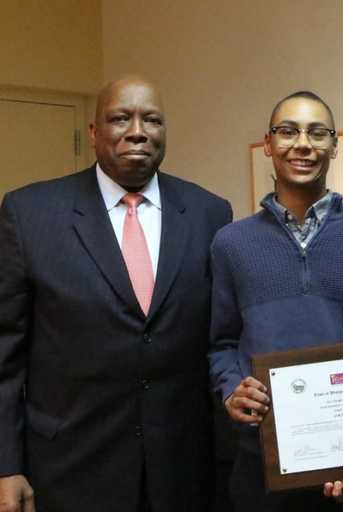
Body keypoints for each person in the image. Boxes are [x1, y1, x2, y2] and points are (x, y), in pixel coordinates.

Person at [0, 76, 232, 512]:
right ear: (93, 133)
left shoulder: (210, 213)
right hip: (70, 468)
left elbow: (221, 335)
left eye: (152, 119)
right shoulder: (29, 215)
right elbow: (4, 351)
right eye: (120, 118)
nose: (138, 130)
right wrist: (5, 465)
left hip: (184, 472)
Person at [208, 90, 343, 511]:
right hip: (261, 460)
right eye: (288, 131)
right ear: (268, 144)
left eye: (318, 133)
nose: (303, 143)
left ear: (334, 146)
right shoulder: (231, 243)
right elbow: (222, 343)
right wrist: (231, 390)